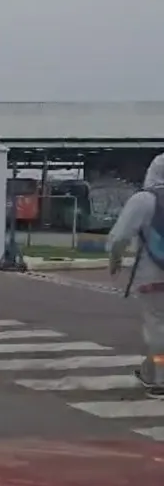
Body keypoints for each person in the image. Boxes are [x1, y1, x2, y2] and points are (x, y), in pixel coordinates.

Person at [106, 151, 164, 398]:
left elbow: (119, 236)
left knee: (157, 329)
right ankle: (150, 372)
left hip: (153, 275)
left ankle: (160, 380)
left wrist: (115, 259)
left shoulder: (144, 200)